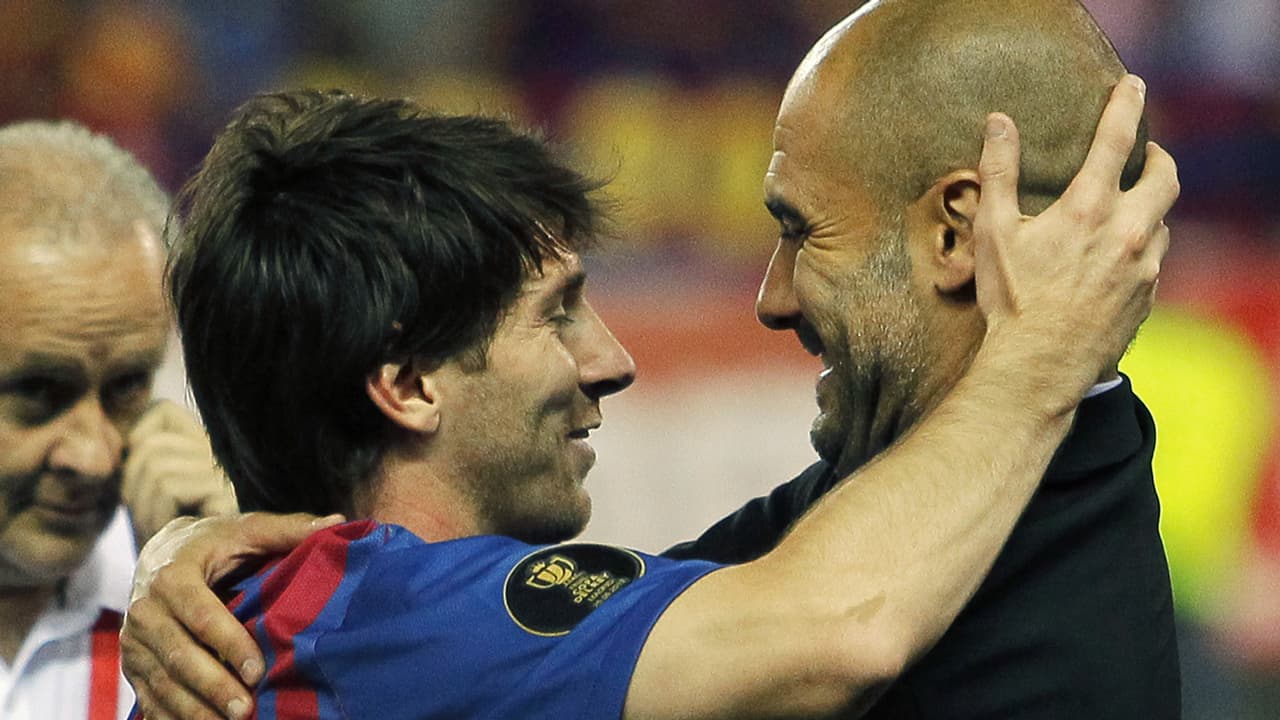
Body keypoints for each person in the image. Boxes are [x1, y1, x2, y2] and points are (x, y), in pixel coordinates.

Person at [120, 3, 1179, 719]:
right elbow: (837, 624)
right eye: (557, 314)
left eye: (798, 230)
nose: (614, 361)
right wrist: (1043, 355)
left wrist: (192, 542)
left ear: (957, 232)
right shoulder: (351, 622)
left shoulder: (391, 626)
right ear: (404, 384)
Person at [0, 120, 237, 720]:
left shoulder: (209, 611)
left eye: (127, 387)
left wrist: (249, 594)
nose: (93, 456)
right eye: (39, 391)